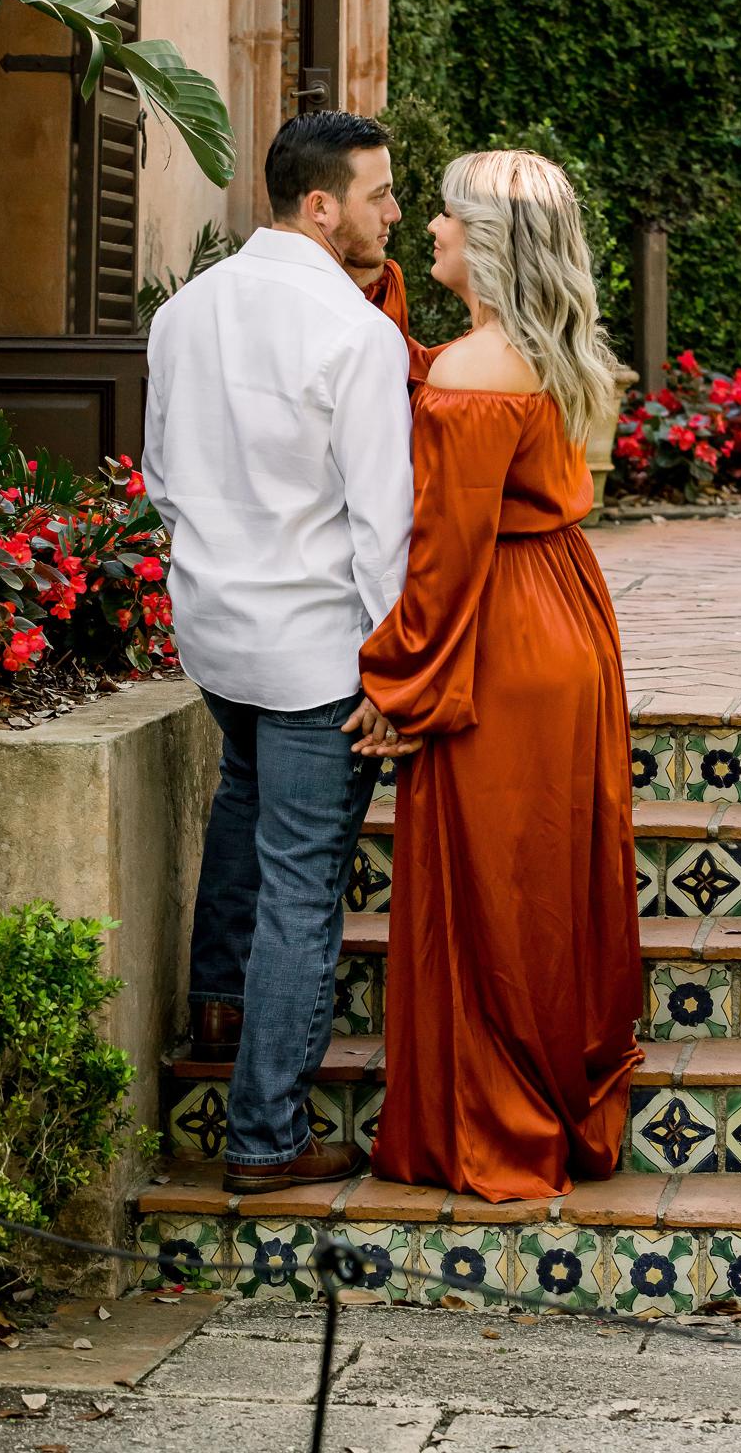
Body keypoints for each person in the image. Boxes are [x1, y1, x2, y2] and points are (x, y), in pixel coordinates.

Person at [351, 148, 643, 1203]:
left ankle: (499, 1124)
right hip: (566, 611)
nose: (424, 225)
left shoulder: (476, 375)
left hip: (502, 633)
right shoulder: (529, 351)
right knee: (548, 873)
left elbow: (445, 553)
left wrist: (399, 682)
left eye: (443, 215)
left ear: (486, 242)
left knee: (493, 889)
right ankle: (556, 1092)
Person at [142, 110, 418, 1194]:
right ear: (321, 205)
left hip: (216, 631)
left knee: (241, 800)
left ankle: (221, 1012)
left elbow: (163, 478)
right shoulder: (358, 333)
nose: (393, 214)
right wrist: (394, 672)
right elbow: (382, 526)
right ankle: (265, 1137)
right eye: (380, 194)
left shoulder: (185, 311)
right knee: (304, 887)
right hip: (316, 652)